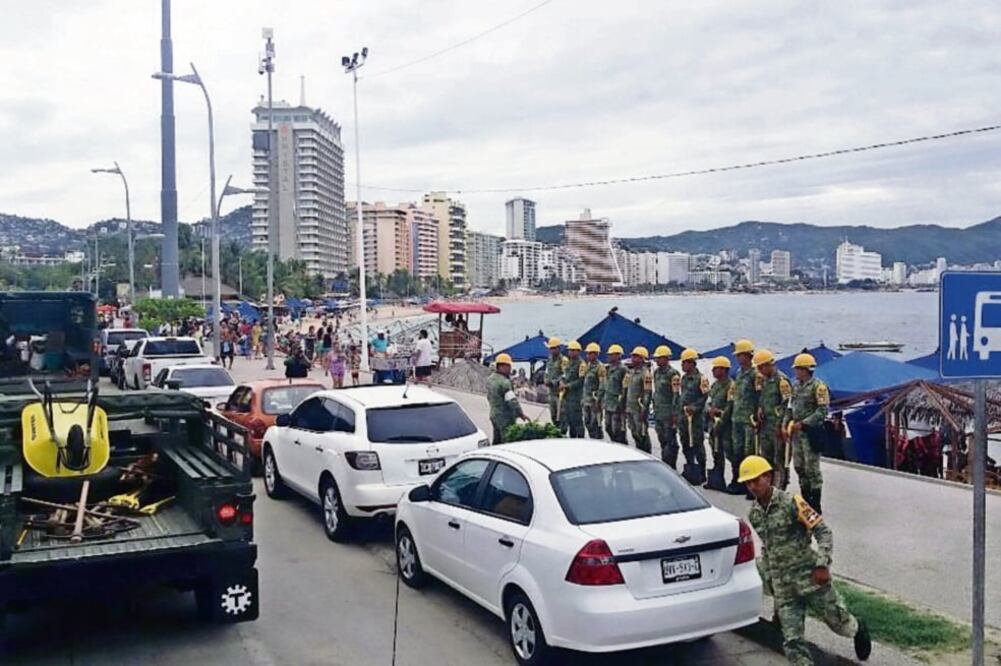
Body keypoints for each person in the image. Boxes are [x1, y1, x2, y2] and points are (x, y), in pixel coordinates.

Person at [740, 455, 871, 665]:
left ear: (769, 477)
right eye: (748, 482)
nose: (753, 486)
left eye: (757, 480)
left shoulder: (792, 502)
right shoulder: (754, 514)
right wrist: (773, 587)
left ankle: (857, 627)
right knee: (792, 641)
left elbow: (823, 531)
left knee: (838, 622)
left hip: (811, 577)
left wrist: (822, 564)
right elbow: (769, 548)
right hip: (784, 588)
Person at [784, 353, 831, 513]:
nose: (796, 372)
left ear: (806, 369)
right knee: (799, 466)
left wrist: (804, 423)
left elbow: (823, 411)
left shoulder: (819, 387)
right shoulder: (795, 386)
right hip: (796, 434)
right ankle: (805, 499)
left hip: (810, 433)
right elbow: (790, 407)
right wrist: (786, 425)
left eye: (798, 369)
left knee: (812, 469)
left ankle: (815, 504)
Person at [754, 349, 793, 490]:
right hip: (765, 426)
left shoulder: (782, 381)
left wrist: (781, 425)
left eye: (761, 366)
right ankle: (767, 488)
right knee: (766, 458)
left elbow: (787, 405)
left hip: (777, 427)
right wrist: (759, 409)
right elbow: (762, 398)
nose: (760, 370)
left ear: (770, 364)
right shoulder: (763, 380)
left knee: (780, 460)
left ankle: (780, 488)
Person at [730, 339, 759, 496]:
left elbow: (759, 396)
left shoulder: (756, 374)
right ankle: (738, 481)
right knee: (737, 452)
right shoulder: (739, 373)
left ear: (748, 355)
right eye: (737, 355)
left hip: (749, 419)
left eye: (741, 355)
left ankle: (751, 485)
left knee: (750, 452)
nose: (738, 358)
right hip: (737, 418)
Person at [677, 348, 709, 485]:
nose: (682, 365)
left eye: (685, 363)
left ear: (691, 363)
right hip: (684, 417)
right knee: (685, 443)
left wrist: (694, 408)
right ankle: (690, 467)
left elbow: (705, 397)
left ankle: (701, 471)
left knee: (697, 444)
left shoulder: (701, 378)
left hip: (695, 419)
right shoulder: (683, 378)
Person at [705, 356, 735, 491]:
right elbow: (709, 401)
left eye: (716, 368)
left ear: (724, 370)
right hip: (713, 424)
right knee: (716, 452)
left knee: (730, 453)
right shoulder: (715, 385)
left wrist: (720, 414)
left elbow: (731, 405)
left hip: (726, 426)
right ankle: (718, 479)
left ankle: (736, 479)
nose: (713, 371)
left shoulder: (731, 386)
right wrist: (709, 410)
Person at [486, 353, 527, 444]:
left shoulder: (490, 380)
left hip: (494, 414)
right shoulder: (504, 382)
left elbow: (488, 397)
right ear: (501, 366)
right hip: (505, 417)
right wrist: (520, 414)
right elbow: (512, 401)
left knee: (497, 440)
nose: (510, 368)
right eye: (508, 366)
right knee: (507, 441)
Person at [652, 345, 680, 468]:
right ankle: (665, 462)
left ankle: (671, 465)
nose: (657, 360)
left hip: (668, 413)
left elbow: (676, 395)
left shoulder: (673, 374)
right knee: (662, 439)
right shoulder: (656, 372)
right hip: (658, 412)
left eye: (659, 358)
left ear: (666, 358)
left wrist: (674, 413)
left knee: (671, 441)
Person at [624, 347, 653, 452]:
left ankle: (647, 454)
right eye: (633, 356)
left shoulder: (645, 374)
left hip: (639, 410)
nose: (633, 358)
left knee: (642, 434)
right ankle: (640, 451)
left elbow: (647, 393)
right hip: (630, 408)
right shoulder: (631, 373)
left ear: (642, 359)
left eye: (636, 356)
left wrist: (644, 410)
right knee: (635, 433)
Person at [560, 341, 587, 438]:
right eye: (569, 350)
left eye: (572, 350)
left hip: (576, 398)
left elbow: (581, 381)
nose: (570, 352)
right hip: (567, 397)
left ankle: (580, 439)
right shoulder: (568, 363)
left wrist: (567, 386)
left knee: (577, 421)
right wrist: (562, 382)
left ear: (578, 351)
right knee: (569, 420)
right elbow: (564, 374)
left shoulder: (581, 364)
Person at [602, 344, 628, 443]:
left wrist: (622, 404)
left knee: (618, 430)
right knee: (608, 427)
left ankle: (623, 447)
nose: (609, 356)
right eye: (609, 355)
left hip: (617, 404)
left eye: (611, 355)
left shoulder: (623, 370)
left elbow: (625, 388)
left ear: (618, 356)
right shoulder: (608, 369)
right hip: (608, 403)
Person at [581, 343, 606, 439]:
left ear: (596, 354)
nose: (588, 355)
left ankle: (598, 440)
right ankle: (593, 438)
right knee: (587, 422)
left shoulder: (600, 367)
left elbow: (602, 385)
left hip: (594, 401)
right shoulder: (588, 366)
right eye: (588, 353)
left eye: (591, 353)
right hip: (586, 400)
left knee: (595, 423)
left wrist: (598, 401)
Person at [544, 338, 568, 434]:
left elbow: (565, 375)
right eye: (551, 348)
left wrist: (554, 382)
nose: (552, 350)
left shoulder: (563, 360)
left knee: (561, 415)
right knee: (553, 415)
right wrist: (545, 379)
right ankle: (556, 431)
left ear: (559, 348)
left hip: (560, 393)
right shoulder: (549, 359)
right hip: (551, 392)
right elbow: (546, 372)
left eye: (554, 348)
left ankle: (563, 433)